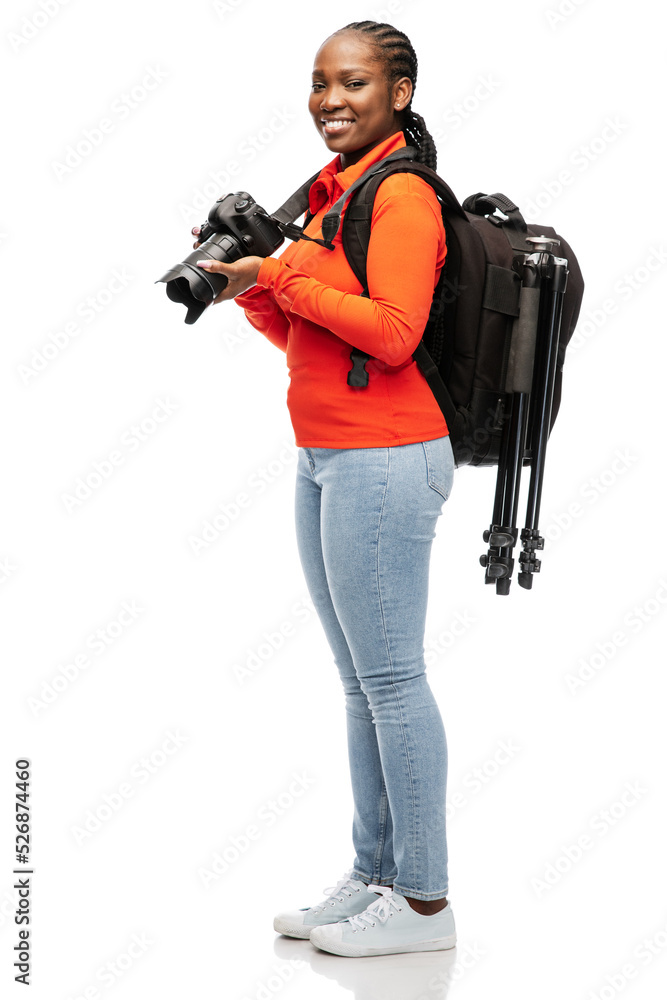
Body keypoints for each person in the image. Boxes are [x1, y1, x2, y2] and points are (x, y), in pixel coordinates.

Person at [193, 20, 457, 959]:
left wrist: (282, 271)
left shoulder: (402, 197)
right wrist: (253, 290)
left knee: (391, 680)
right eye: (318, 82)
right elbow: (311, 340)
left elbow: (390, 333)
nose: (329, 100)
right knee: (360, 683)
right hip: (326, 455)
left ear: (399, 93)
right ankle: (375, 874)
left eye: (353, 82)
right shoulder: (331, 194)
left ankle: (423, 906)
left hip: (386, 455)